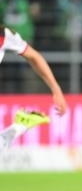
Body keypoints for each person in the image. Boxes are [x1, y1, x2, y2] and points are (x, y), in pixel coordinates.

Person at [0, 25, 67, 153]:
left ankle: (22, 124)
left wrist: (56, 89)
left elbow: (34, 57)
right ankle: (22, 124)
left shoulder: (4, 34)